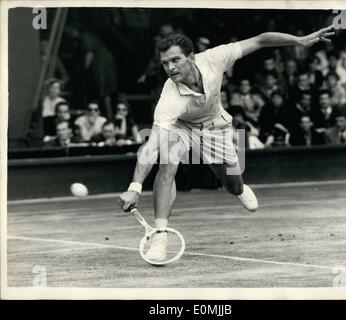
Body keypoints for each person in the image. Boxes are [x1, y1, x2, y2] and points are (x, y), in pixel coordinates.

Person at [119, 26, 335, 262]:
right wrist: (135, 187)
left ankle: (239, 189)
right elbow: (152, 147)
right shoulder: (169, 98)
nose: (170, 68)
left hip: (216, 127)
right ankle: (160, 238)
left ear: (191, 57)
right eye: (164, 63)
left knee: (232, 184)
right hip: (181, 126)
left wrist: (300, 41)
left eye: (175, 60)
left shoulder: (214, 58)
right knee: (167, 165)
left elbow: (261, 39)